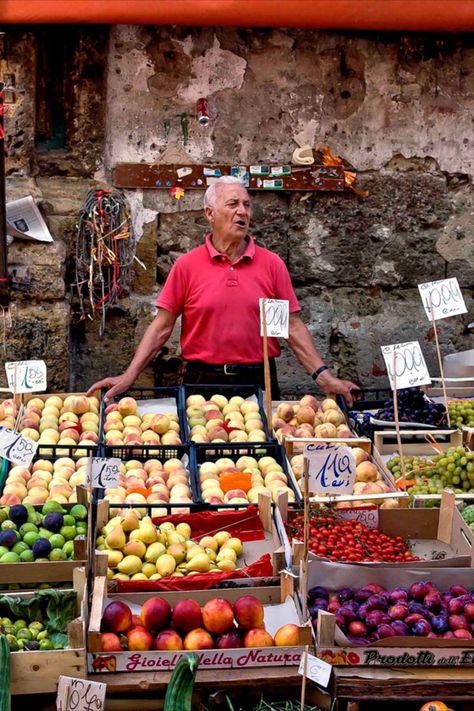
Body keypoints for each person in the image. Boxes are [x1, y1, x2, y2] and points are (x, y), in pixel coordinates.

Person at [88, 176, 359, 404]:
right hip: (203, 383)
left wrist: (323, 376)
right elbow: (161, 327)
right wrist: (129, 377)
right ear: (210, 214)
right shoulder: (187, 266)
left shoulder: (271, 265)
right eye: (233, 204)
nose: (242, 211)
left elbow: (291, 326)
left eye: (247, 205)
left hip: (259, 380)